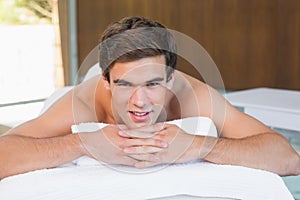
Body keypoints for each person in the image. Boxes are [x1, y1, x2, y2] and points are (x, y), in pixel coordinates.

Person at [0, 16, 299, 179]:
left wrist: (200, 146)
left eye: (153, 84)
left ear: (170, 78)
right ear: (106, 81)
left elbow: (288, 159)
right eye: (126, 84)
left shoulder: (195, 98)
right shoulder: (84, 99)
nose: (140, 101)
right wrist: (83, 142)